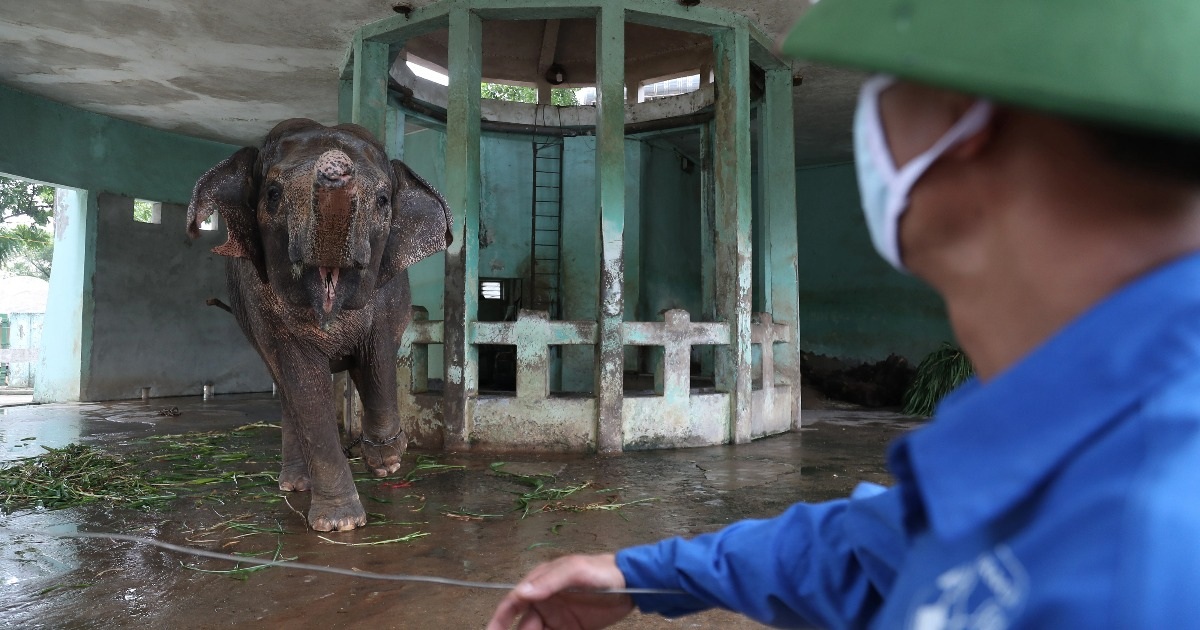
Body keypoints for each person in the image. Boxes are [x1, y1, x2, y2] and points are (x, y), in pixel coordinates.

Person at [488, 0, 1200, 627]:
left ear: (960, 113)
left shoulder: (1151, 553)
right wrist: (651, 575)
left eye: (883, 85)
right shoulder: (1054, 407)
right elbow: (887, 548)